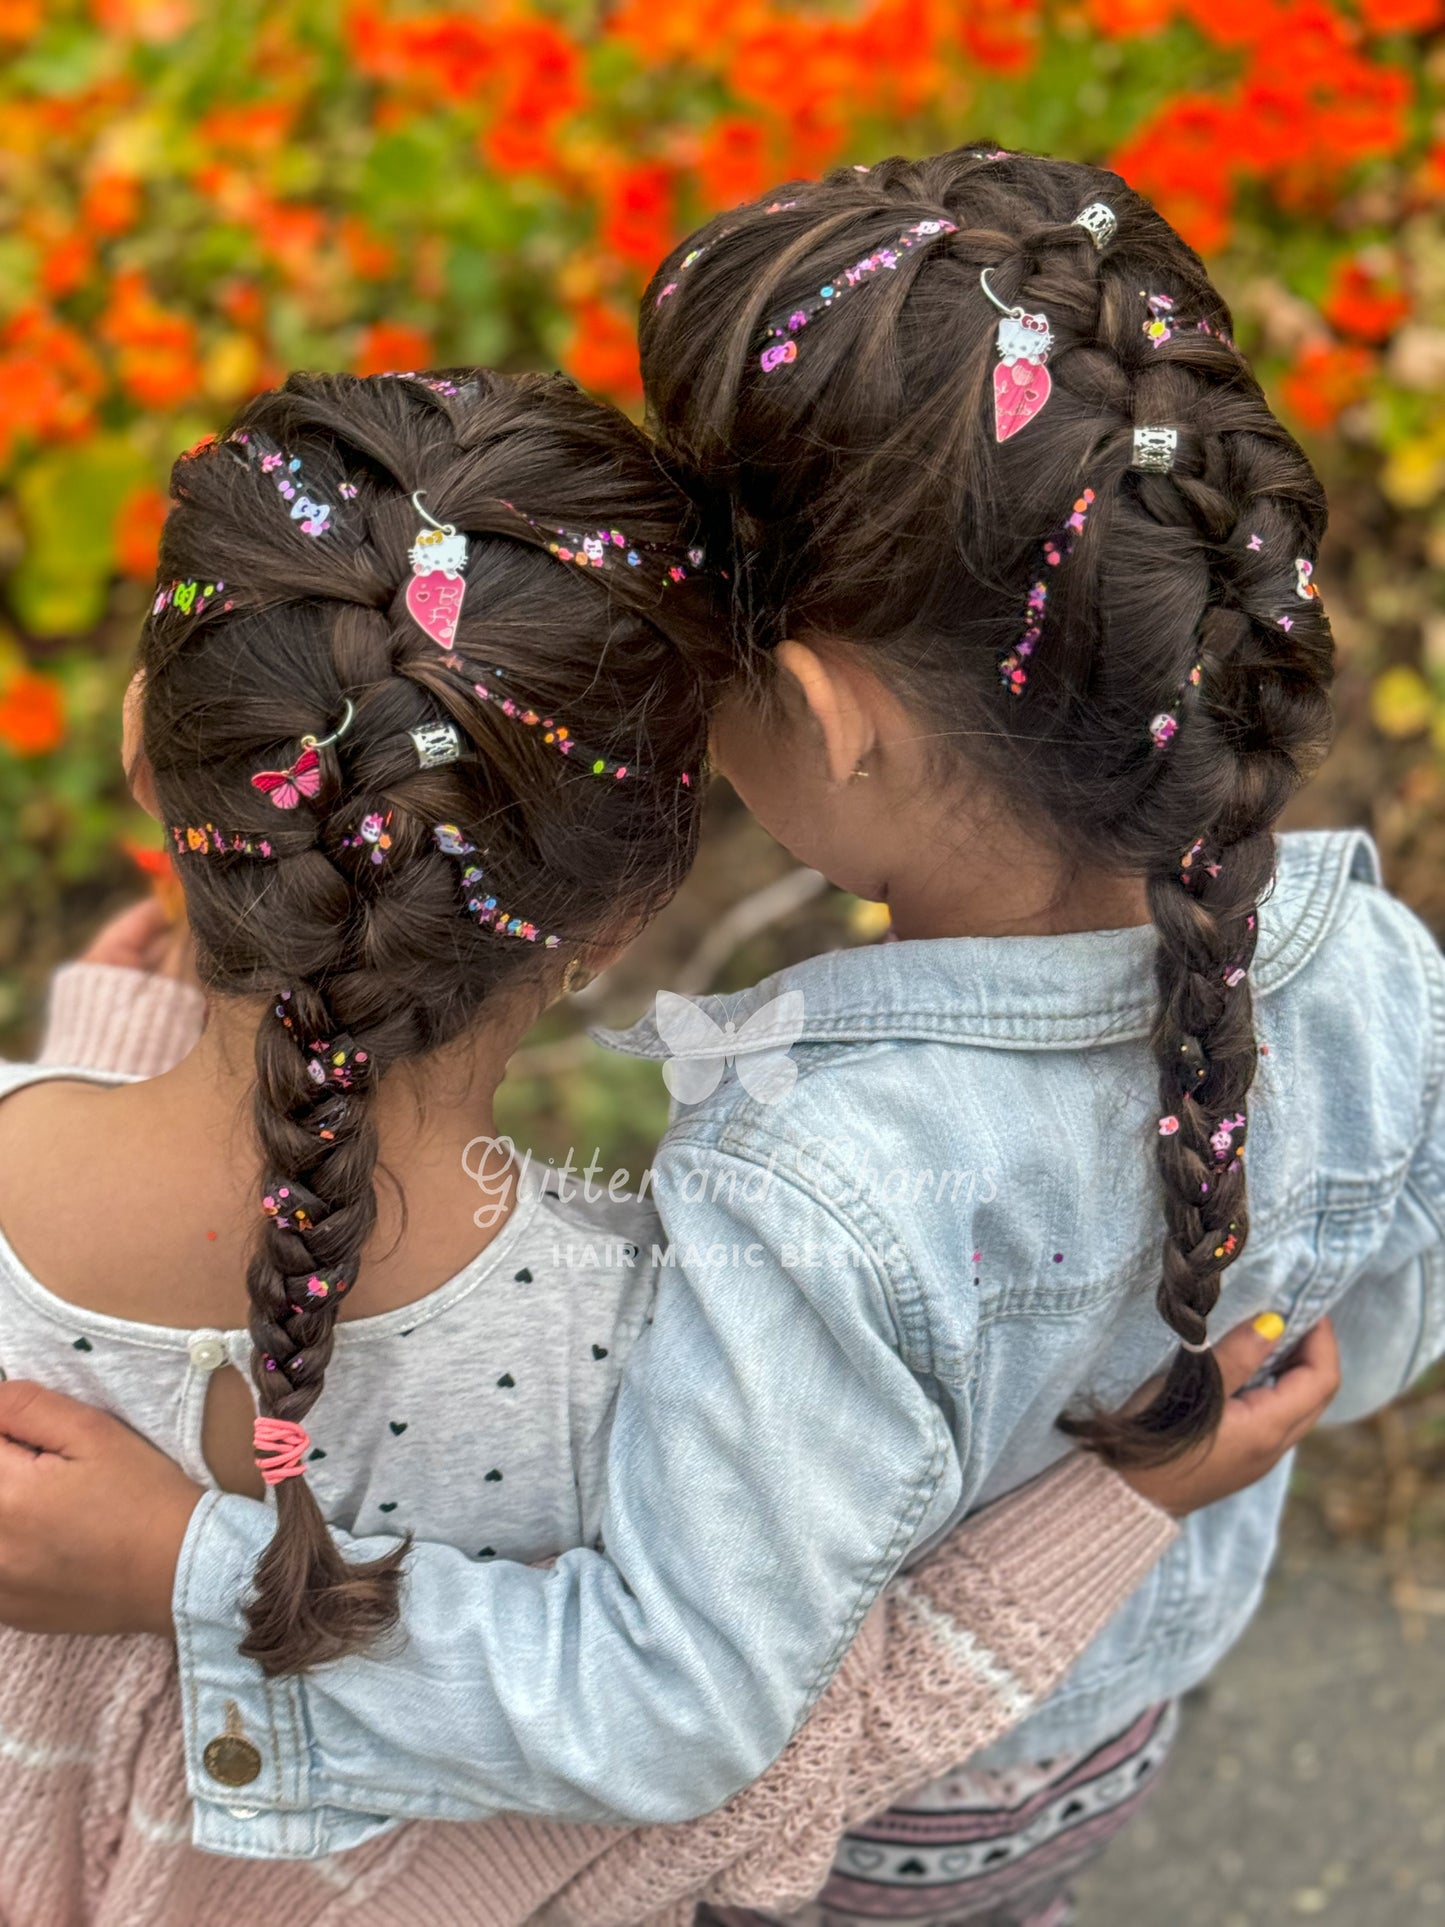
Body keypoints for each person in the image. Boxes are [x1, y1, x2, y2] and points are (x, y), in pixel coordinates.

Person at [1, 145, 1436, 1919]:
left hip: (872, 1830)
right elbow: (1357, 1347)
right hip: (1112, 1710)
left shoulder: (799, 1198)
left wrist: (201, 1572)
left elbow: (675, 1704)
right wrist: (1133, 1484)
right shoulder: (1372, 963)